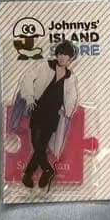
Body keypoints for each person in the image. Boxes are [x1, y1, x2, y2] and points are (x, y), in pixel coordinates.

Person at [19, 41, 78, 189]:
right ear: (56, 54)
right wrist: (29, 97)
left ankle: (28, 174)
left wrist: (67, 110)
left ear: (70, 58)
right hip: (38, 109)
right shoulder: (45, 66)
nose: (62, 57)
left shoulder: (70, 77)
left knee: (41, 145)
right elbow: (27, 78)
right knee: (36, 143)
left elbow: (72, 96)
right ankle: (48, 170)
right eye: (60, 53)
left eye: (65, 55)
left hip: (53, 115)